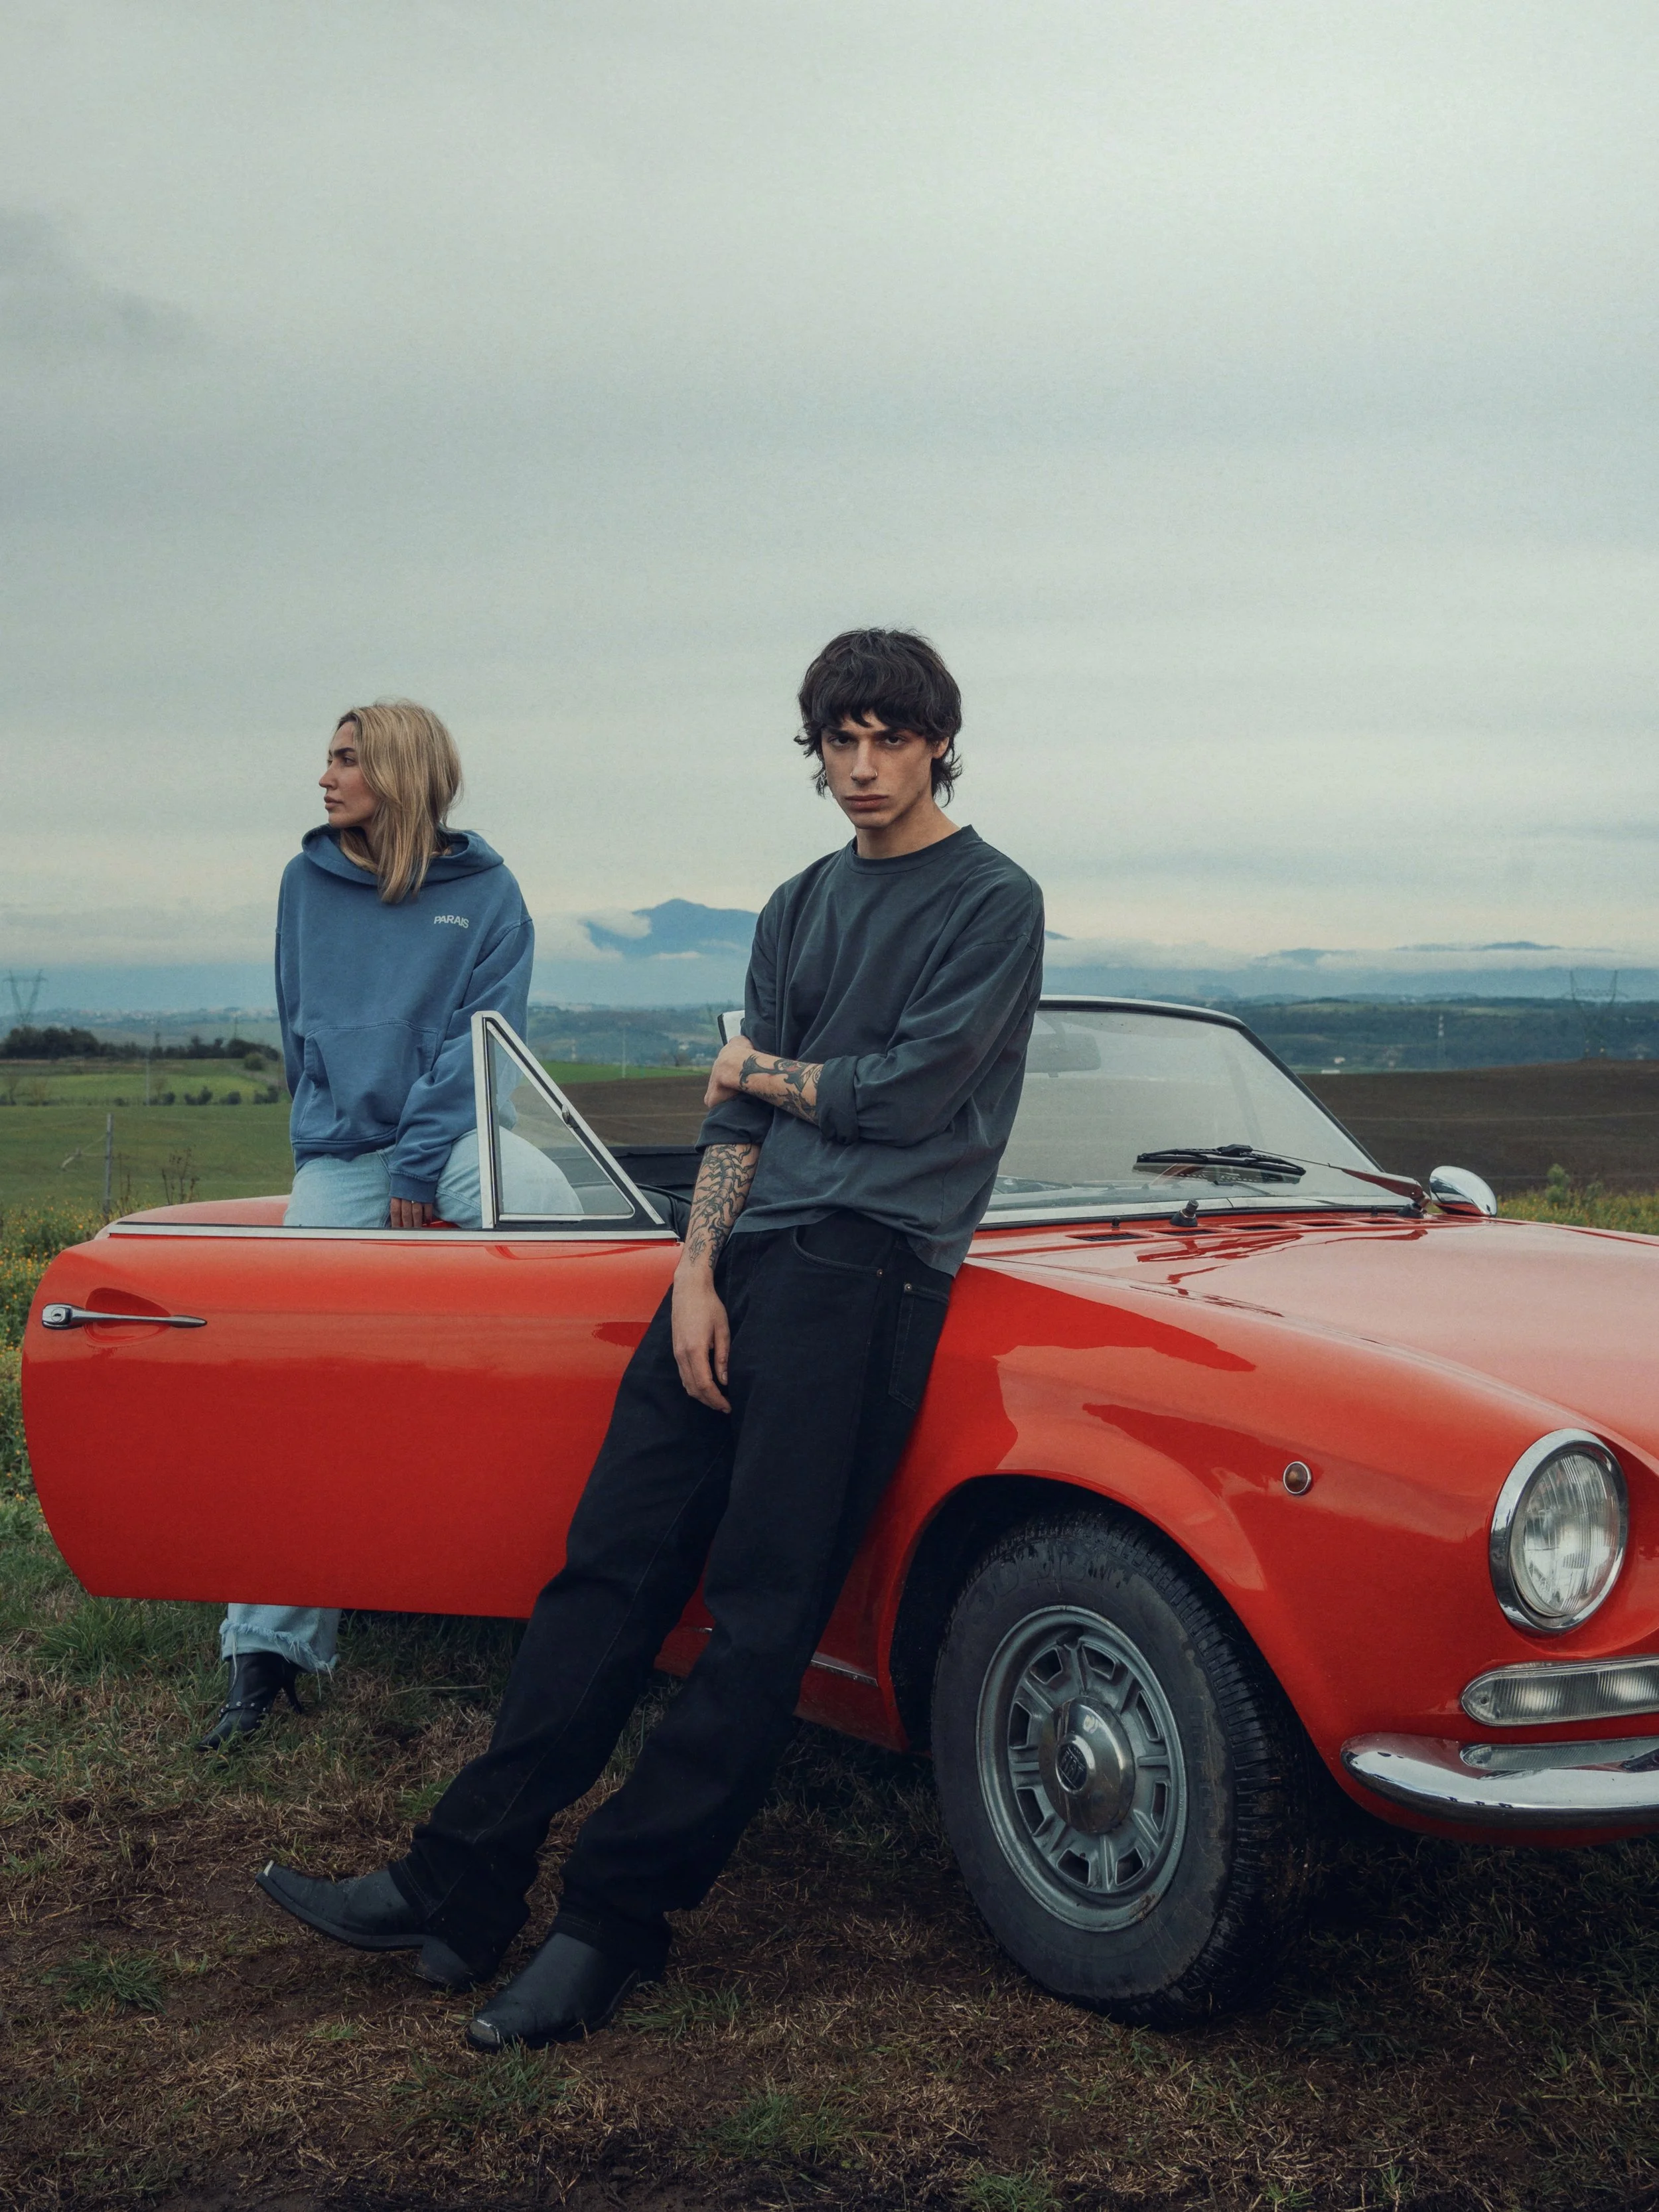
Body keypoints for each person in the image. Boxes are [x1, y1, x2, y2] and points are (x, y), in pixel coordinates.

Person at [254, 630, 1044, 2048]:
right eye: (836, 743)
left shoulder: (989, 900)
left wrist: (760, 1068)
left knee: (756, 1618)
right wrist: (693, 1270)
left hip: (871, 1272)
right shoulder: (798, 904)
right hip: (738, 1261)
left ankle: (613, 1923)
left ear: (937, 743)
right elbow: (739, 1119)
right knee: (605, 1572)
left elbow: (908, 1095)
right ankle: (461, 1882)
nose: (860, 769)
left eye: (888, 740)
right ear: (814, 751)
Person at [198, 700, 534, 1751]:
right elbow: (302, 1022)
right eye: (330, 758)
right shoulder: (307, 884)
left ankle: (576, 1572)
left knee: (557, 1227)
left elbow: (485, 1041)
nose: (326, 776)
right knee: (299, 1388)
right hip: (347, 1154)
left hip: (459, 1135)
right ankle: (265, 1655)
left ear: (397, 773)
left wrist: (425, 1164)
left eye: (346, 759)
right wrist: (330, 1152)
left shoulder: (487, 894)